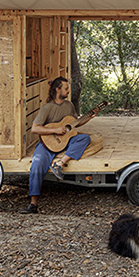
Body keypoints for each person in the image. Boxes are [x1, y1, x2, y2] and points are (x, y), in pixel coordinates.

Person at [20, 76, 92, 214]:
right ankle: (33, 204)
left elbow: (74, 123)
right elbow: (35, 128)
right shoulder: (47, 108)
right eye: (66, 88)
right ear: (57, 89)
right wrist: (55, 130)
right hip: (48, 143)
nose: (68, 91)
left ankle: (60, 163)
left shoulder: (69, 106)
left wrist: (89, 117)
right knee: (36, 164)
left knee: (84, 138)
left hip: (64, 142)